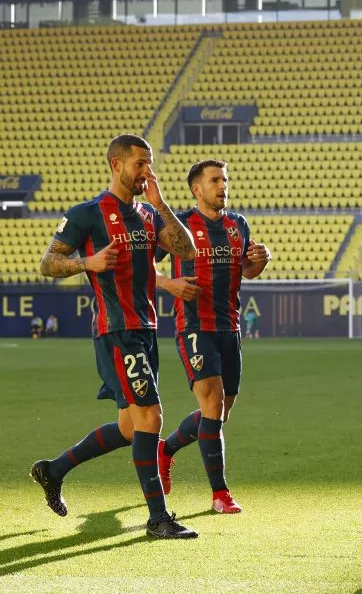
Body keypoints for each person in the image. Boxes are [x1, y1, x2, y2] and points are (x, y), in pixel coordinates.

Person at [31, 134, 198, 539]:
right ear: (116, 165)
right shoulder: (87, 213)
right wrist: (87, 261)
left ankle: (52, 471)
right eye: (140, 163)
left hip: (146, 328)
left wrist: (160, 204)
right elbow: (47, 263)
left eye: (150, 163)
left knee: (129, 427)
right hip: (116, 329)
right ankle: (158, 519)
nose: (147, 172)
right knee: (152, 418)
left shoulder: (146, 214)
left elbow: (187, 250)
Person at [156, 159, 270, 515]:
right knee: (212, 403)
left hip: (229, 329)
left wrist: (262, 260)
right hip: (194, 327)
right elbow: (141, 267)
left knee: (221, 412)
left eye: (225, 180)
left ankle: (167, 449)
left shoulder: (238, 225)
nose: (223, 186)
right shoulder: (179, 227)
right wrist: (168, 284)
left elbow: (247, 271)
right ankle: (220, 494)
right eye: (215, 180)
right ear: (197, 189)